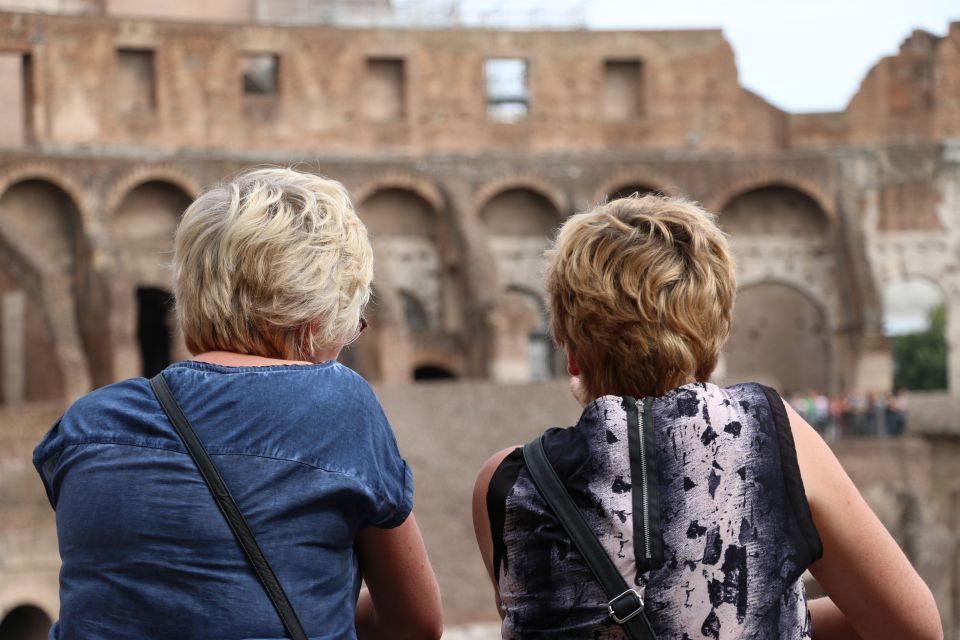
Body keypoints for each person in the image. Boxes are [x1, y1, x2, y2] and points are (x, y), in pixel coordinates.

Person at [472, 195, 942, 639]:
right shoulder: (766, 431)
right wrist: (761, 609)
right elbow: (914, 626)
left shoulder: (508, 482)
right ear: (712, 344)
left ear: (571, 353)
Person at [34, 168, 443, 639]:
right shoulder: (338, 404)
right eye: (350, 325)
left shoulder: (84, 425)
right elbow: (415, 624)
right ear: (312, 322)